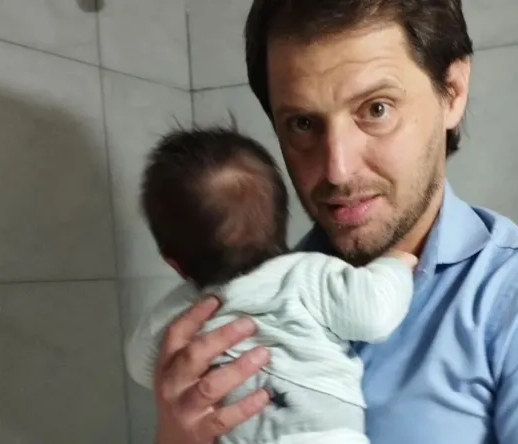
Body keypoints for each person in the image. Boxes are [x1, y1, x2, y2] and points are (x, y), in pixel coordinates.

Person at [143, 1, 518, 443]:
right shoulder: (244, 308)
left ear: (452, 92)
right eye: (303, 123)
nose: (338, 169)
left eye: (376, 109)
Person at [126, 127, 417, 444]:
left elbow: (142, 365)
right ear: (282, 220)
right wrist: (395, 265)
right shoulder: (307, 274)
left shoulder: (184, 313)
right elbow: (373, 314)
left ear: (175, 264)